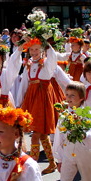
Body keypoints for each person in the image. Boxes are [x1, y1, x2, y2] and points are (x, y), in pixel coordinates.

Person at [16, 38, 59, 172]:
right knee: (42, 135)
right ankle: (52, 163)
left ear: (42, 51)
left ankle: (32, 166)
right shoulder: (28, 65)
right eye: (32, 49)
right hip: (32, 100)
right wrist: (19, 103)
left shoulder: (46, 64)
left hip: (43, 100)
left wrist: (46, 43)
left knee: (36, 134)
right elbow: (23, 84)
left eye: (37, 49)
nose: (34, 52)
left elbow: (53, 57)